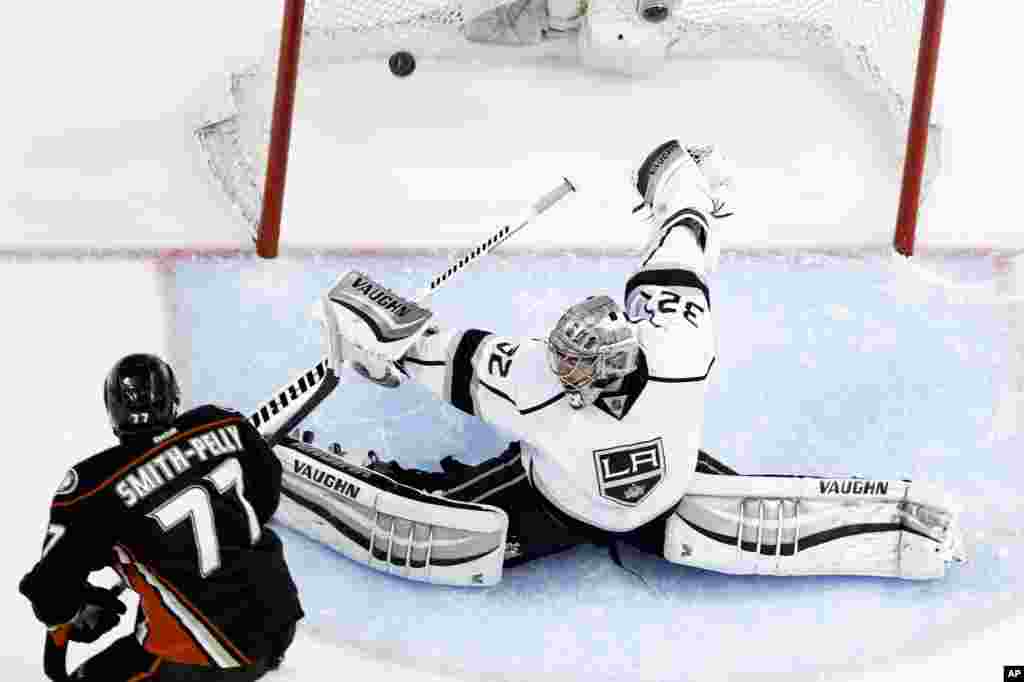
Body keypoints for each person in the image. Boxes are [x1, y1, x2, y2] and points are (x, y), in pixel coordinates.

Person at [287, 139, 964, 586]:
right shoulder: (550, 368)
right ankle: (331, 474)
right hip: (558, 505)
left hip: (645, 496)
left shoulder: (662, 350)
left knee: (462, 508)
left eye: (576, 365)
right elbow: (438, 350)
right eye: (560, 357)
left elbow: (687, 246)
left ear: (613, 365)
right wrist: (374, 320)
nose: (559, 369)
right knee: (447, 503)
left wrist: (378, 331)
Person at [19, 354, 303, 681]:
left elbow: (50, 594)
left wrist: (72, 610)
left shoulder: (91, 488)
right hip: (280, 618)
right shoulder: (224, 423)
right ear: (173, 398)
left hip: (216, 654)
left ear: (113, 409)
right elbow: (265, 499)